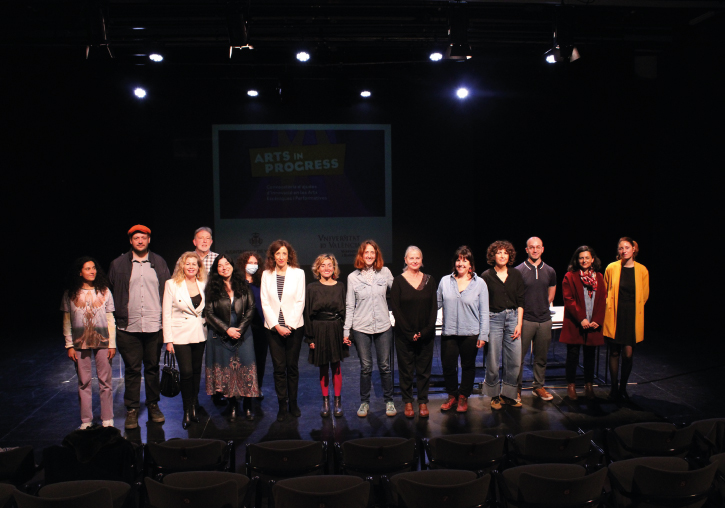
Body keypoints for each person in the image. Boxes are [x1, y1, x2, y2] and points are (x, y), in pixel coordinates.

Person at [108, 225, 170, 429]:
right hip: (128, 326)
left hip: (154, 325)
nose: (140, 241)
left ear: (149, 240)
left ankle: (153, 405)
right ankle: (132, 410)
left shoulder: (159, 262)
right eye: (136, 238)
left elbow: (168, 293)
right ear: (131, 241)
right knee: (132, 369)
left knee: (152, 368)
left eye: (143, 237)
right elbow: (110, 291)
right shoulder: (118, 264)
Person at [62, 257, 116, 429]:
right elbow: (67, 320)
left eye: (94, 268)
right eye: (87, 268)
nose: (92, 271)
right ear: (80, 272)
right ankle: (86, 420)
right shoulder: (71, 293)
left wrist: (112, 343)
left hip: (102, 340)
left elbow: (110, 319)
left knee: (105, 381)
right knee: (83, 381)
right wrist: (69, 345)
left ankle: (107, 418)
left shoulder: (104, 291)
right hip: (79, 342)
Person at [344, 240, 395, 418]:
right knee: (366, 367)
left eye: (372, 252)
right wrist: (346, 331)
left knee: (385, 366)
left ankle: (389, 401)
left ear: (376, 255)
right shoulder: (353, 277)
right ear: (361, 255)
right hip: (361, 327)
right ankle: (364, 403)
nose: (369, 255)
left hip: (383, 326)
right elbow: (350, 306)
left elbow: (398, 292)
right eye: (366, 252)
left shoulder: (385, 273)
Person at [205, 254, 259, 421]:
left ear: (232, 265)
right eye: (220, 265)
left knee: (246, 367)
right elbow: (209, 313)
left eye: (226, 264)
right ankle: (233, 405)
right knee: (229, 370)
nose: (224, 267)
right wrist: (227, 329)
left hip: (243, 331)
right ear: (216, 269)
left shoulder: (243, 284)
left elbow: (251, 307)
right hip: (223, 332)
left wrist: (240, 329)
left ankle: (248, 405)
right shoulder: (212, 288)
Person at [436, 246, 489, 413]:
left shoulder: (479, 283)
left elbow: (484, 311)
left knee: (468, 366)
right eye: (458, 260)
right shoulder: (445, 281)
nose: (461, 263)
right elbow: (435, 304)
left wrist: (483, 334)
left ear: (470, 264)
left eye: (465, 260)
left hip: (471, 333)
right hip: (449, 332)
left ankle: (464, 397)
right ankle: (452, 395)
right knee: (448, 365)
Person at [260, 240, 306, 422]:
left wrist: (290, 325)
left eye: (284, 253)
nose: (281, 257)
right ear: (273, 256)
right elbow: (264, 302)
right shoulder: (266, 274)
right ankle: (282, 404)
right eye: (277, 253)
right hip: (273, 328)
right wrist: (277, 326)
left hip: (294, 327)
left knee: (292, 367)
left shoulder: (298, 273)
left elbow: (300, 301)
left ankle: (293, 403)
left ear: (289, 256)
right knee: (279, 368)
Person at [390, 246, 438, 418]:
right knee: (406, 370)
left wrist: (425, 331)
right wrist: (410, 332)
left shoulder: (430, 280)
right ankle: (408, 401)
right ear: (405, 260)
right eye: (411, 258)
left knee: (424, 370)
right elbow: (396, 309)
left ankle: (423, 401)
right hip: (404, 335)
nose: (415, 261)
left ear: (421, 260)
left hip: (426, 335)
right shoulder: (398, 281)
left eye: (418, 258)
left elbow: (434, 308)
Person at [162, 252, 206, 429]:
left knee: (196, 372)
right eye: (188, 264)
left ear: (198, 267)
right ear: (182, 266)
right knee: (186, 373)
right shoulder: (172, 284)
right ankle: (186, 410)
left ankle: (194, 406)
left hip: (199, 333)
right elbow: (166, 312)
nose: (191, 267)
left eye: (194, 264)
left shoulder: (203, 284)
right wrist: (168, 340)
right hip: (179, 334)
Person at [603, 237, 649, 402]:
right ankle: (614, 389)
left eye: (627, 248)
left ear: (634, 249)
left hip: (631, 315)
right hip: (615, 314)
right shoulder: (612, 268)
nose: (623, 251)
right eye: (621, 248)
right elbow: (606, 290)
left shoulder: (642, 270)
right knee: (614, 351)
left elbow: (644, 295)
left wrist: (633, 309)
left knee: (628, 354)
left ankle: (623, 387)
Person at [304, 254, 350, 418]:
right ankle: (325, 401)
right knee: (323, 366)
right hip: (319, 329)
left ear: (334, 268)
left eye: (329, 265)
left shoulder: (340, 286)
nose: (326, 268)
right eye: (322, 265)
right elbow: (307, 313)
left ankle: (337, 401)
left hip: (336, 328)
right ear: (317, 269)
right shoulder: (311, 288)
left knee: (336, 366)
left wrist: (346, 333)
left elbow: (345, 311)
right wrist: (310, 338)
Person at [481, 240, 525, 410]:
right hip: (494, 319)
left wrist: (519, 324)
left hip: (513, 318)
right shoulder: (486, 276)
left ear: (509, 256)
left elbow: (521, 301)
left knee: (514, 359)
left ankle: (509, 395)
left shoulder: (516, 275)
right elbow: (483, 304)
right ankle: (494, 395)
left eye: (505, 252)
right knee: (493, 360)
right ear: (493, 255)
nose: (502, 255)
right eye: (498, 252)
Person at [561, 246, 606, 400]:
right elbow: (569, 300)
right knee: (572, 355)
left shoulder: (599, 277)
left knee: (590, 355)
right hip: (575, 323)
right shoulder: (570, 276)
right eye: (581, 258)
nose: (584, 260)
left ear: (593, 259)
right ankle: (571, 386)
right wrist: (582, 318)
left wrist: (597, 320)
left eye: (587, 257)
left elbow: (602, 300)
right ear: (577, 259)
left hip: (593, 323)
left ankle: (588, 386)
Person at [515, 237, 557, 402]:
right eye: (531, 247)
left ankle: (538, 386)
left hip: (544, 319)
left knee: (541, 356)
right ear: (526, 250)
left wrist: (543, 306)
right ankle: (516, 388)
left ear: (542, 249)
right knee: (518, 357)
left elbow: (551, 291)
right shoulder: (519, 271)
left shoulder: (550, 271)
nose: (534, 250)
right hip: (526, 320)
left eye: (538, 247)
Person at [236, 251, 267, 401]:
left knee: (260, 359)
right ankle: (243, 388)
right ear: (243, 264)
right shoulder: (237, 282)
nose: (253, 266)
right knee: (243, 359)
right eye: (250, 263)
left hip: (261, 325)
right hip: (243, 327)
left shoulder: (262, 282)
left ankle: (257, 387)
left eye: (256, 263)